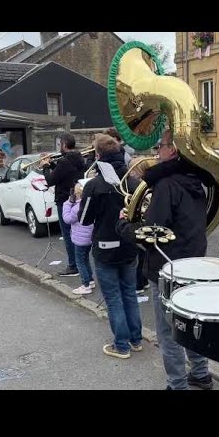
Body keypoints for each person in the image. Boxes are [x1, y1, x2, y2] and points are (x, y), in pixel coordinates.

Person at [116, 130, 214, 390]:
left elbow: (153, 233)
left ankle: (177, 384)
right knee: (191, 323)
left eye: (161, 146)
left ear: (174, 150)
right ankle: (202, 374)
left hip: (167, 266)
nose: (156, 151)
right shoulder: (196, 180)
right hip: (192, 263)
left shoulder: (167, 184)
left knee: (168, 332)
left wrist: (124, 225)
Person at [78, 133, 141, 359]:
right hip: (130, 245)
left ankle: (121, 346)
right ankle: (136, 340)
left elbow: (84, 219)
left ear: (98, 155)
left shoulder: (94, 185)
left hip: (105, 246)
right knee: (130, 294)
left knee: (114, 298)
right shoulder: (134, 182)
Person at [41, 133, 86, 277]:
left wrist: (45, 166)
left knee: (68, 235)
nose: (59, 147)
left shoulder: (65, 162)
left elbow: (50, 180)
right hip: (76, 197)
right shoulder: (78, 158)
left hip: (65, 201)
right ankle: (80, 265)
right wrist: (53, 164)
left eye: (60, 144)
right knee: (77, 234)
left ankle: (73, 266)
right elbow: (65, 172)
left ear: (65, 144)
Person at [62, 182, 96, 295]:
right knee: (85, 259)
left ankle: (86, 285)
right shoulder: (89, 204)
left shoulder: (77, 207)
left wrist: (67, 203)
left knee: (80, 261)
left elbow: (67, 219)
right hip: (89, 238)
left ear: (77, 194)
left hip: (80, 240)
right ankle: (90, 280)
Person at [127, 156, 152, 294]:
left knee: (139, 256)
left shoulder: (137, 184)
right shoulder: (143, 183)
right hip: (143, 221)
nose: (130, 173)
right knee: (143, 255)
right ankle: (143, 281)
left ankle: (138, 284)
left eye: (133, 170)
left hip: (140, 222)